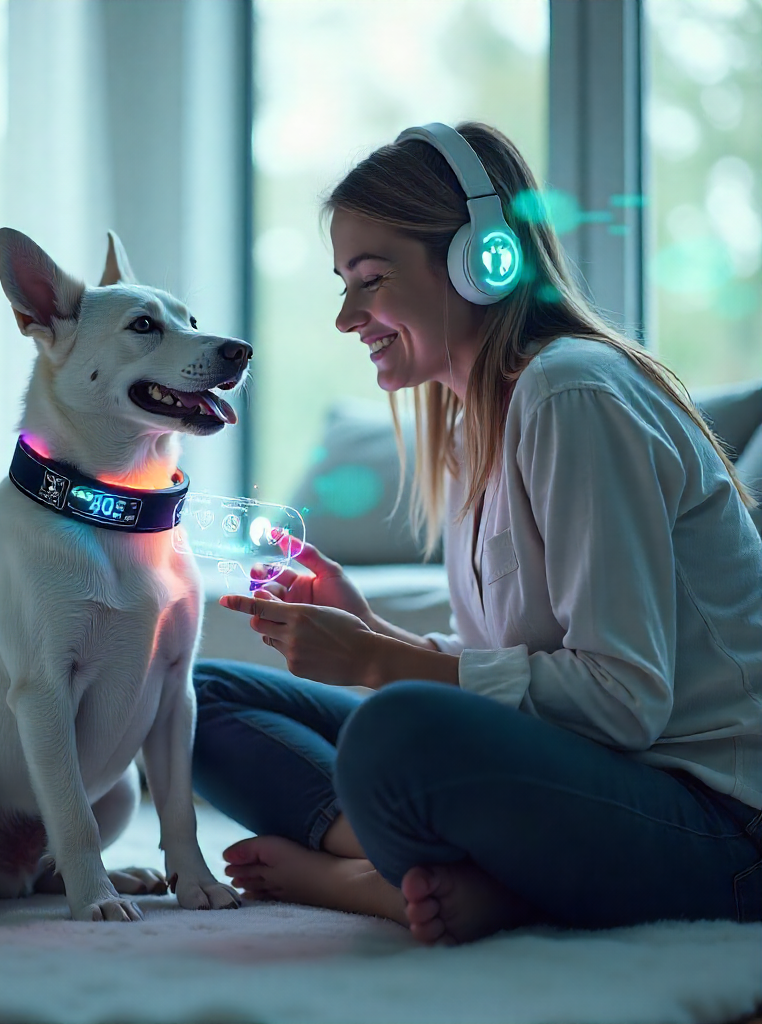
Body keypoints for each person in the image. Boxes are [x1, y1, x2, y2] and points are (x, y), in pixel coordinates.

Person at [190, 122, 762, 945]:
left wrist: (376, 663)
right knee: (196, 698)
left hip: (719, 826)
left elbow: (623, 701)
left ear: (481, 261)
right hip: (592, 781)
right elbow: (516, 675)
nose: (348, 317)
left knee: (397, 734)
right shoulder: (475, 424)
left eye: (371, 280)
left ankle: (368, 879)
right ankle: (447, 872)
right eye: (344, 285)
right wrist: (370, 630)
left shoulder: (571, 393)